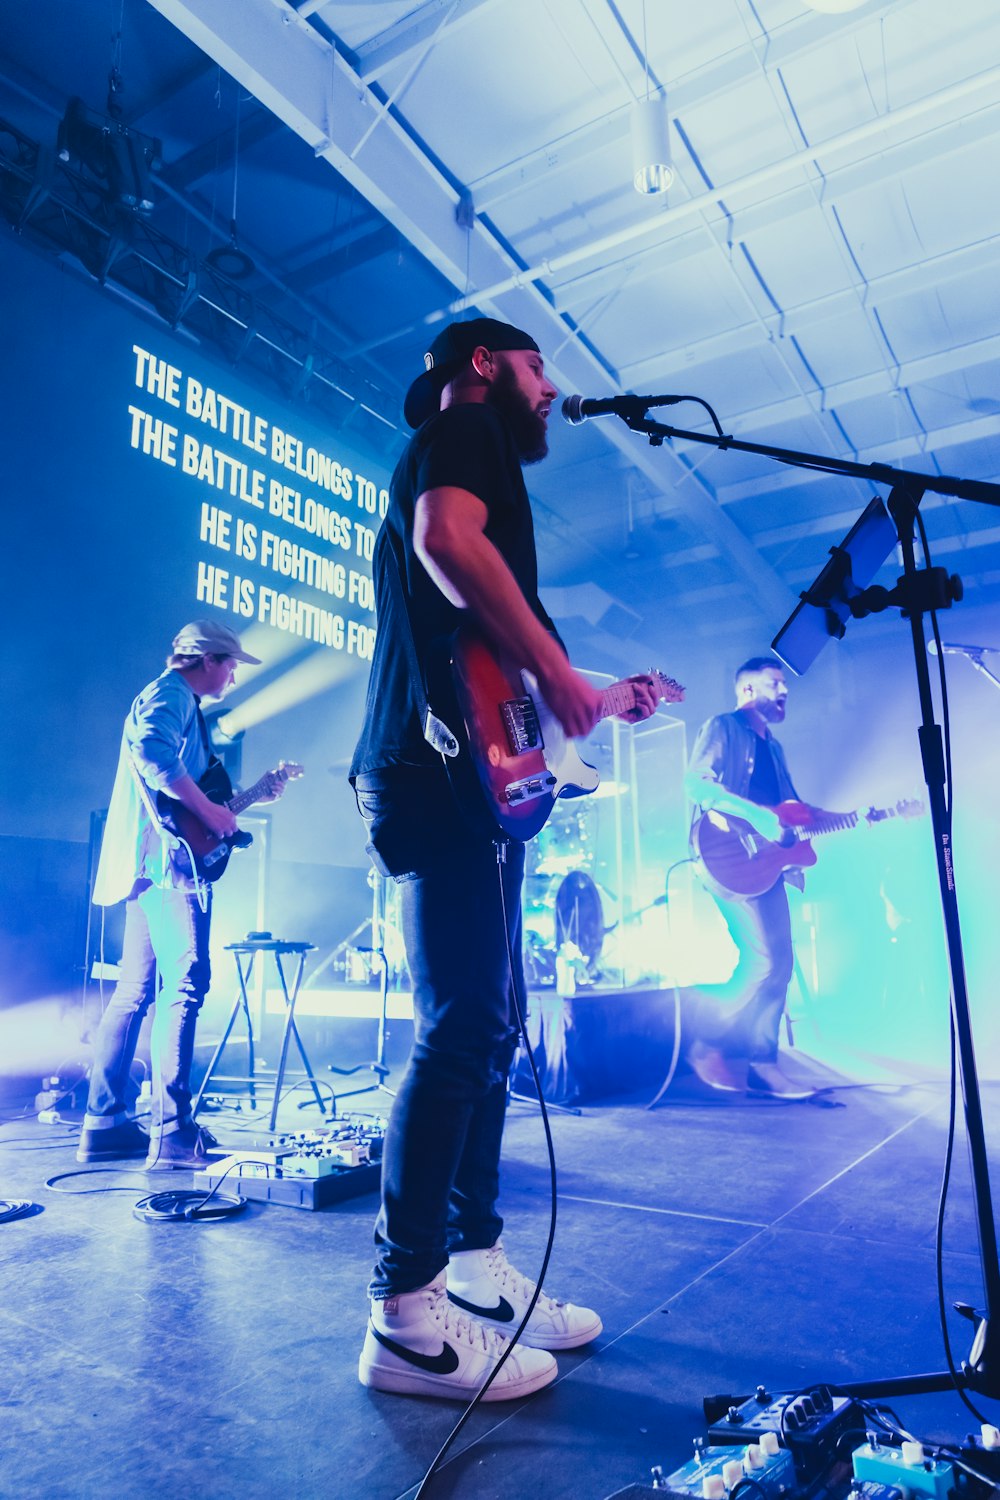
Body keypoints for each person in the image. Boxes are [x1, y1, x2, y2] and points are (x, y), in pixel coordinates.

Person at [350, 317, 658, 1402]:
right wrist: (562, 679)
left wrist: (589, 691)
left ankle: (474, 1270)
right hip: (432, 773)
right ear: (486, 364)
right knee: (462, 1024)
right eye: (538, 368)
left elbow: (486, 648)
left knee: (488, 1027)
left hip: (461, 772)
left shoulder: (469, 444)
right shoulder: (466, 429)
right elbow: (445, 540)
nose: (550, 389)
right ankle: (406, 1318)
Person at [77, 618, 276, 1170]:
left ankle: (104, 1123)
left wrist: (228, 805)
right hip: (166, 867)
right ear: (206, 659)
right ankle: (171, 1133)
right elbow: (153, 755)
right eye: (231, 665)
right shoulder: (169, 695)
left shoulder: (173, 699)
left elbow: (175, 783)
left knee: (134, 990)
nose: (233, 676)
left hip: (148, 864)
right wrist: (214, 812)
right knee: (184, 985)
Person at [682, 656, 827, 1099]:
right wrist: (757, 818)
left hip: (767, 865)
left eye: (785, 683)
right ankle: (705, 1041)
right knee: (762, 961)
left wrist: (855, 819)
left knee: (779, 965)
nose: (784, 691)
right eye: (774, 683)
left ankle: (765, 1064)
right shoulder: (723, 727)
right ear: (747, 690)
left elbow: (794, 812)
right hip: (725, 855)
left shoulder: (775, 748)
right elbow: (698, 786)